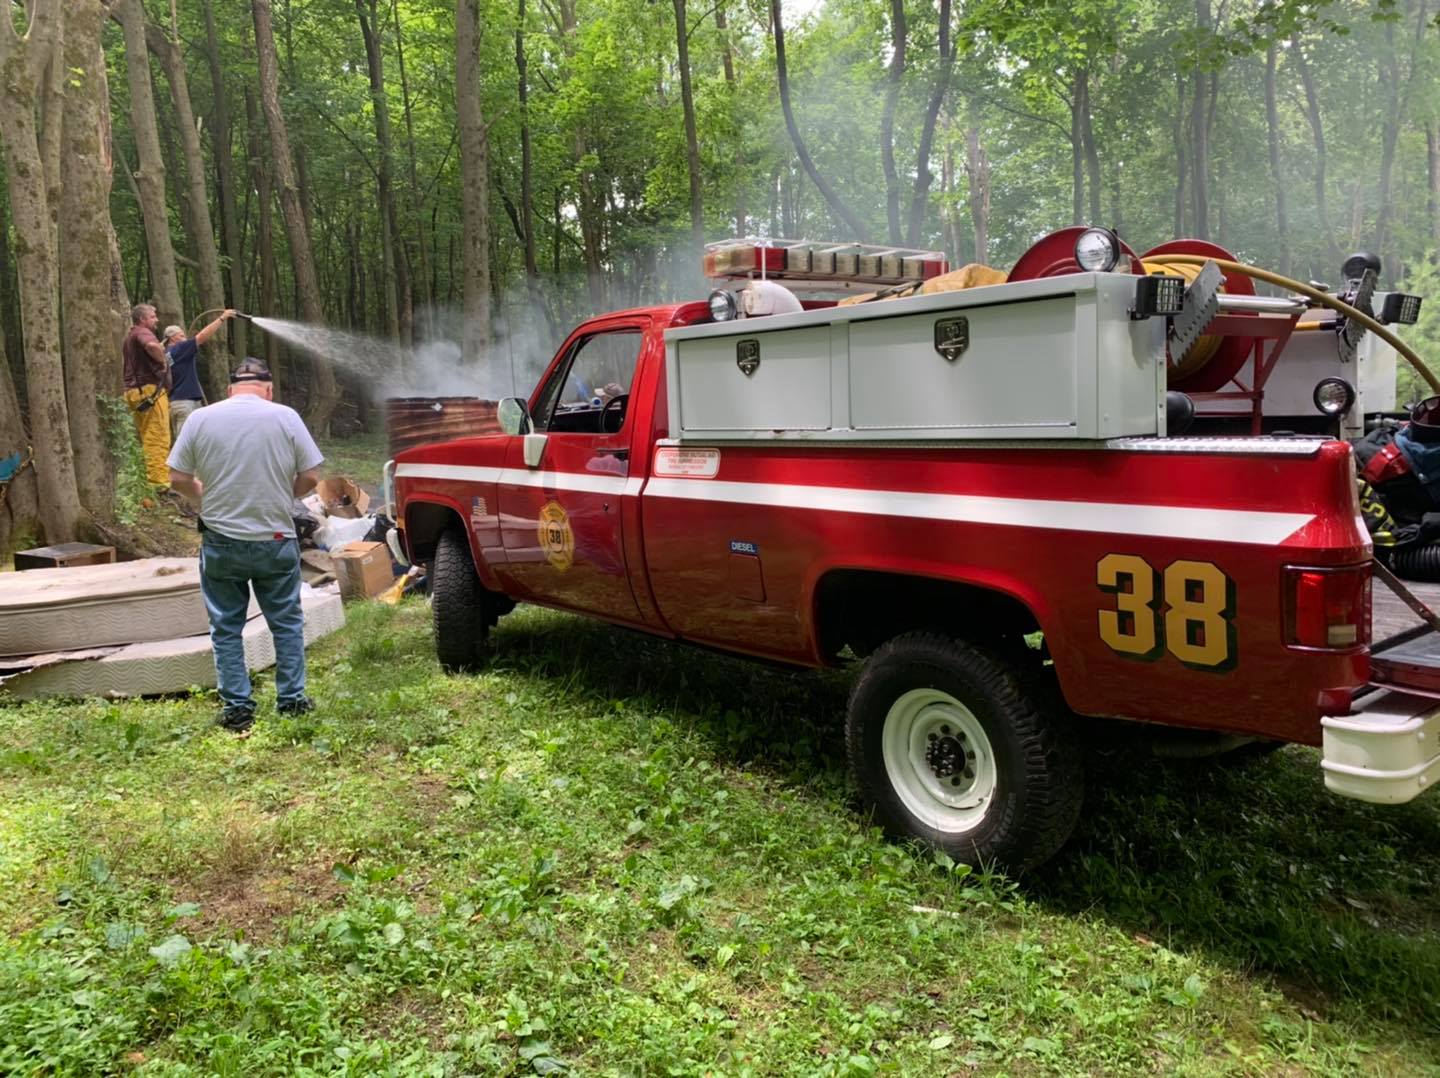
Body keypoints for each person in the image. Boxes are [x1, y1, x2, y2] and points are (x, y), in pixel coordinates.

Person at [168, 358, 325, 734]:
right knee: (286, 622)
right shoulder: (285, 416)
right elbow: (311, 476)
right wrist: (284, 495)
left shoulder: (200, 419)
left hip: (222, 541)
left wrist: (203, 497)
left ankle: (237, 707)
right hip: (275, 539)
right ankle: (292, 700)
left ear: (229, 389)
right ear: (268, 390)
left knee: (225, 626)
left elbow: (177, 478)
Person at [163, 309, 236, 437]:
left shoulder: (166, 353)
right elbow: (202, 336)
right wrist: (222, 318)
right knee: (186, 442)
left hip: (177, 402)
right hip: (185, 403)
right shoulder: (179, 348)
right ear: (172, 338)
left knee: (191, 440)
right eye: (181, 335)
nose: (184, 338)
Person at [122, 304, 173, 488]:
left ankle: (150, 479)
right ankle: (159, 484)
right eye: (153, 316)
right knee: (158, 437)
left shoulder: (130, 335)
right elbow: (151, 345)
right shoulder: (143, 332)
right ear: (143, 319)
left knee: (147, 437)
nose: (156, 319)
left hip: (135, 392)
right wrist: (162, 359)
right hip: (149, 391)